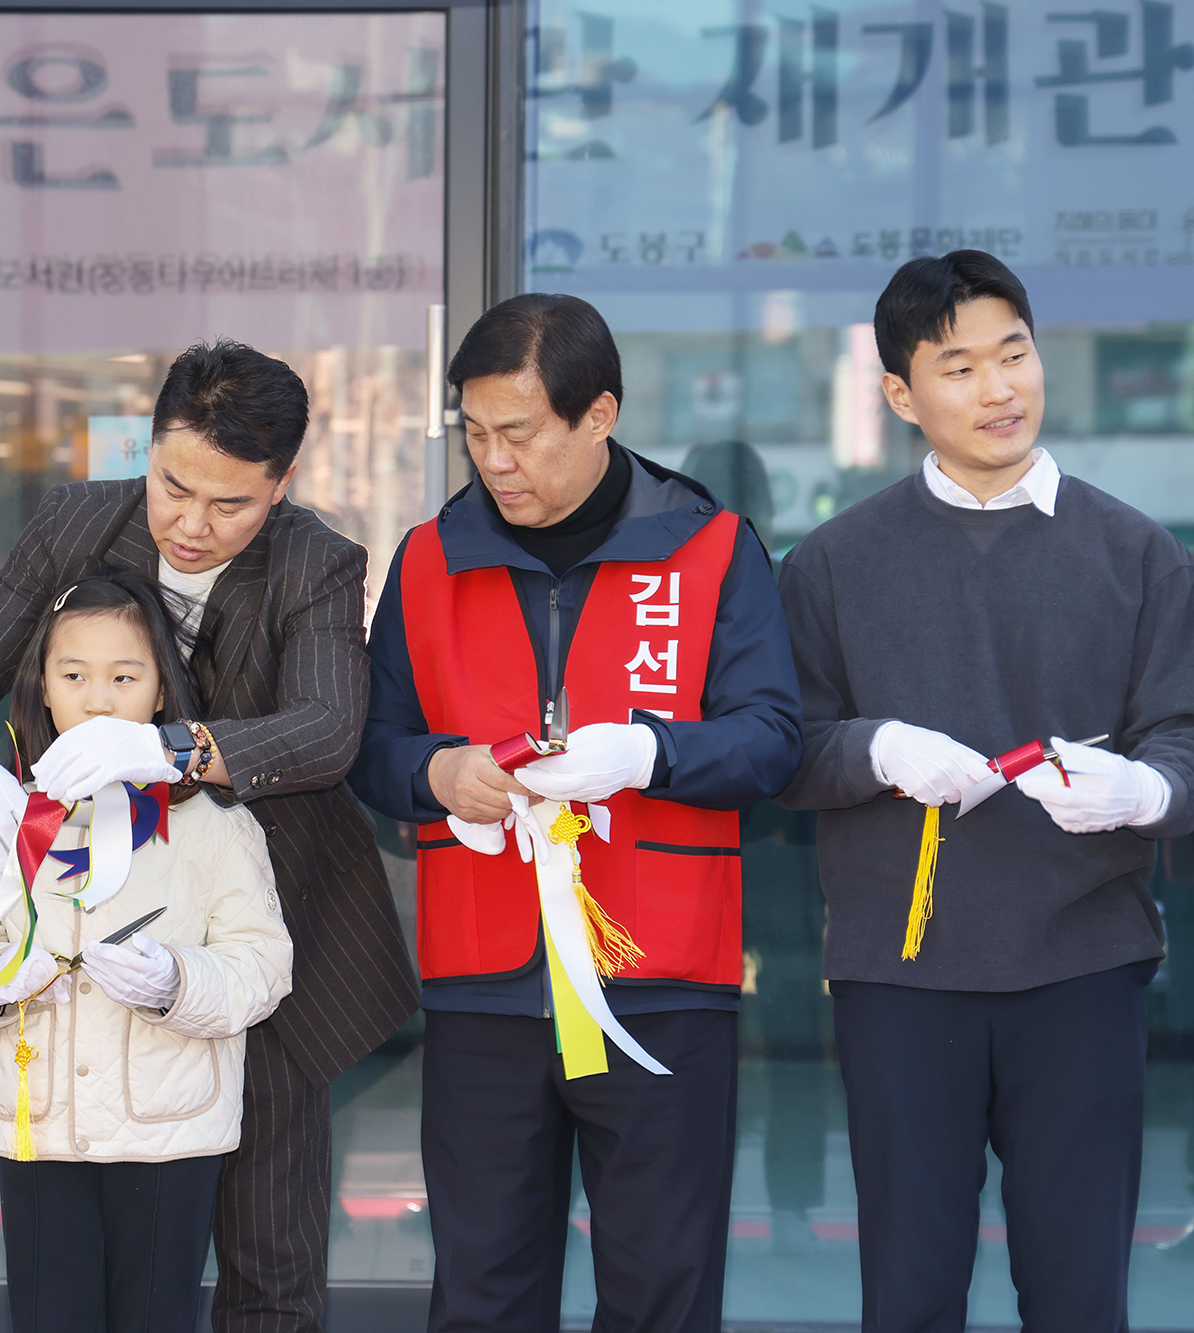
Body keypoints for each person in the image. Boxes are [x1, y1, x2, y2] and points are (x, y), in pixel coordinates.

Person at [0, 339, 416, 1333]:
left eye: (230, 504)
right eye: (173, 486)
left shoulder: (317, 561)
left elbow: (325, 731)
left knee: (269, 1254)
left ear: (280, 484)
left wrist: (165, 749)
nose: (191, 523)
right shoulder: (76, 521)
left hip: (262, 941)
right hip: (81, 948)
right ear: (149, 448)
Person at [349, 292, 801, 1332]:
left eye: (518, 433)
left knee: (660, 1289)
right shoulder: (427, 559)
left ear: (598, 415)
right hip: (482, 982)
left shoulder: (710, 548)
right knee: (482, 1287)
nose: (493, 461)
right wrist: (438, 775)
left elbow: (772, 736)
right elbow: (370, 751)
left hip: (661, 976)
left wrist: (649, 749)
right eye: (473, 434)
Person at [776, 250, 1194, 1332]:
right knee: (908, 1289)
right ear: (898, 395)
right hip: (899, 975)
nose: (997, 388)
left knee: (1076, 1289)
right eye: (957, 367)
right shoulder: (830, 562)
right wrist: (872, 749)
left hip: (1083, 967)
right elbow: (780, 753)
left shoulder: (1136, 554)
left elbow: (1184, 743)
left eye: (1012, 354)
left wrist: (1140, 790)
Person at [0, 570, 293, 1333]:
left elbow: (263, 964)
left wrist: (176, 979)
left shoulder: (211, 824)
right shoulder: (6, 817)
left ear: (161, 693)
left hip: (170, 1134)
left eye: (125, 676)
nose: (99, 698)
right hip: (41, 1130)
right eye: (74, 675)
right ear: (43, 691)